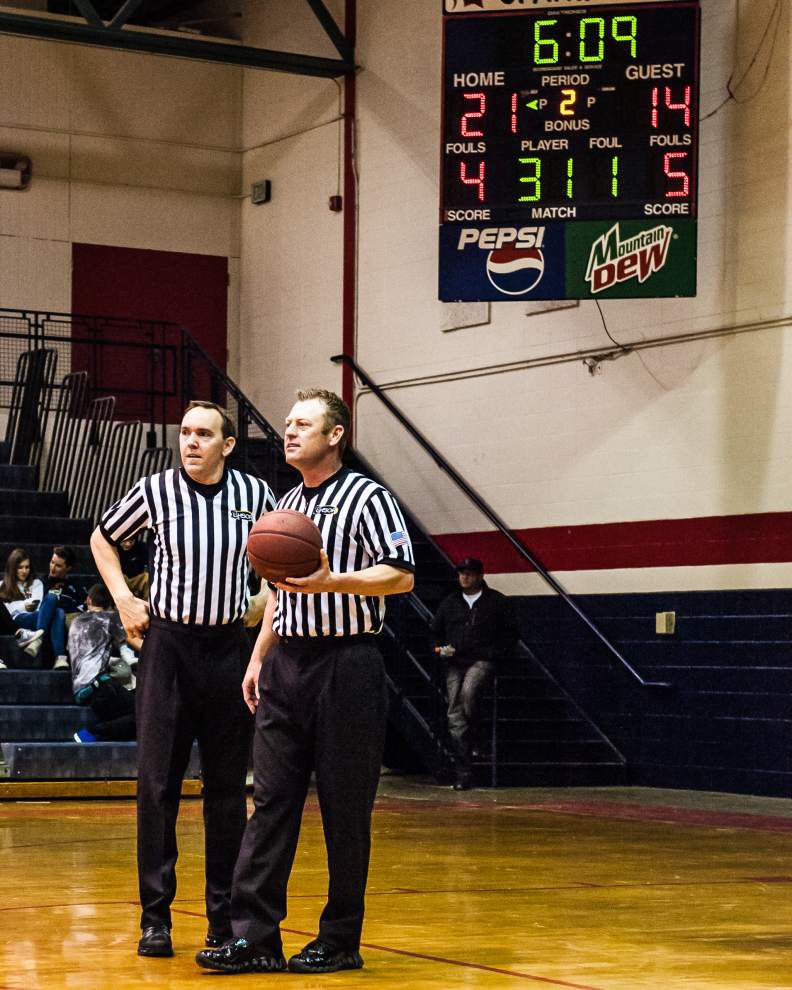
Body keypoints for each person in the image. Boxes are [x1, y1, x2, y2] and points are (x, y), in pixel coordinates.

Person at [196, 387, 415, 977]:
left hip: (349, 662)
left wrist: (331, 581)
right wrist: (258, 657)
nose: (289, 432)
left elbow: (399, 576)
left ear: (335, 434)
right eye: (288, 423)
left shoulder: (368, 497)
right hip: (287, 662)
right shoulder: (285, 505)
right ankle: (256, 937)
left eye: (303, 424)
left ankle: (340, 938)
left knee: (345, 808)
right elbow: (277, 595)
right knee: (269, 803)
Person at [90, 400, 276, 959]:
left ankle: (223, 920)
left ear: (228, 444)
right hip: (168, 649)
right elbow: (102, 539)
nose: (191, 442)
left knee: (225, 792)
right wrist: (124, 599)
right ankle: (156, 919)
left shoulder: (258, 497)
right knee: (157, 787)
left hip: (228, 649)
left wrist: (264, 602)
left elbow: (279, 564)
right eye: (185, 433)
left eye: (203, 434)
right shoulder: (154, 490)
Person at [432, 557, 517, 791]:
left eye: (469, 573)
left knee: (468, 691)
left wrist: (493, 653)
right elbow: (435, 631)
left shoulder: (496, 602)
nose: (464, 577)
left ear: (480, 576)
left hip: (482, 659)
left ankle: (475, 740)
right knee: (454, 713)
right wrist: (439, 648)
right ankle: (464, 770)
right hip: (454, 661)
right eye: (461, 573)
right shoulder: (450, 603)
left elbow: (510, 635)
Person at [70, 583, 139, 743]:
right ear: (111, 604)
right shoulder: (110, 618)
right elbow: (129, 651)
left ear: (88, 600)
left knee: (132, 716)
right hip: (100, 686)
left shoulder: (76, 621)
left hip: (80, 688)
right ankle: (92, 732)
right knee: (143, 717)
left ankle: (96, 732)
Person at [2, 547, 68, 668]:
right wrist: (24, 606)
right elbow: (6, 612)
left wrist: (26, 606)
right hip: (17, 620)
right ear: (13, 568)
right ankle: (60, 657)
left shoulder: (36, 583)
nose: (24, 571)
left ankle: (38, 640)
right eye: (20, 567)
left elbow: (39, 605)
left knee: (53, 599)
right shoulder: (3, 585)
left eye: (27, 567)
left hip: (37, 618)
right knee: (58, 612)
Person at [118, 533, 149, 601]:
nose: (128, 544)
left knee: (147, 577)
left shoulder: (141, 547)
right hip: (120, 580)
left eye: (131, 541)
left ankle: (146, 603)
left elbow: (149, 563)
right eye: (125, 541)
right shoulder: (115, 548)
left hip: (136, 579)